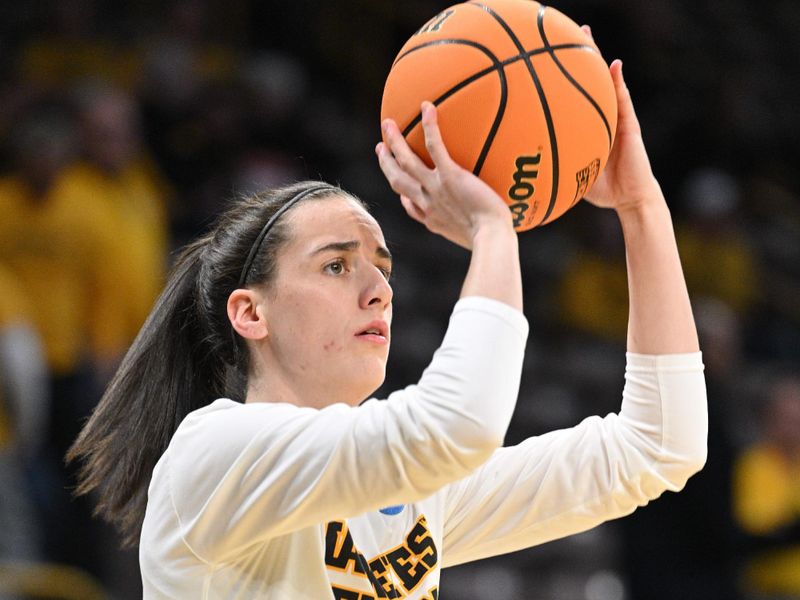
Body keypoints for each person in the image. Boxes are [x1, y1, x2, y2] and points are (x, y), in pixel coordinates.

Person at [68, 50, 708, 598]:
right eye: (337, 266)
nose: (379, 291)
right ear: (250, 312)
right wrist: (493, 230)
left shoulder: (407, 497)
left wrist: (641, 207)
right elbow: (453, 427)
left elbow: (659, 448)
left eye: (383, 267)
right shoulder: (214, 451)